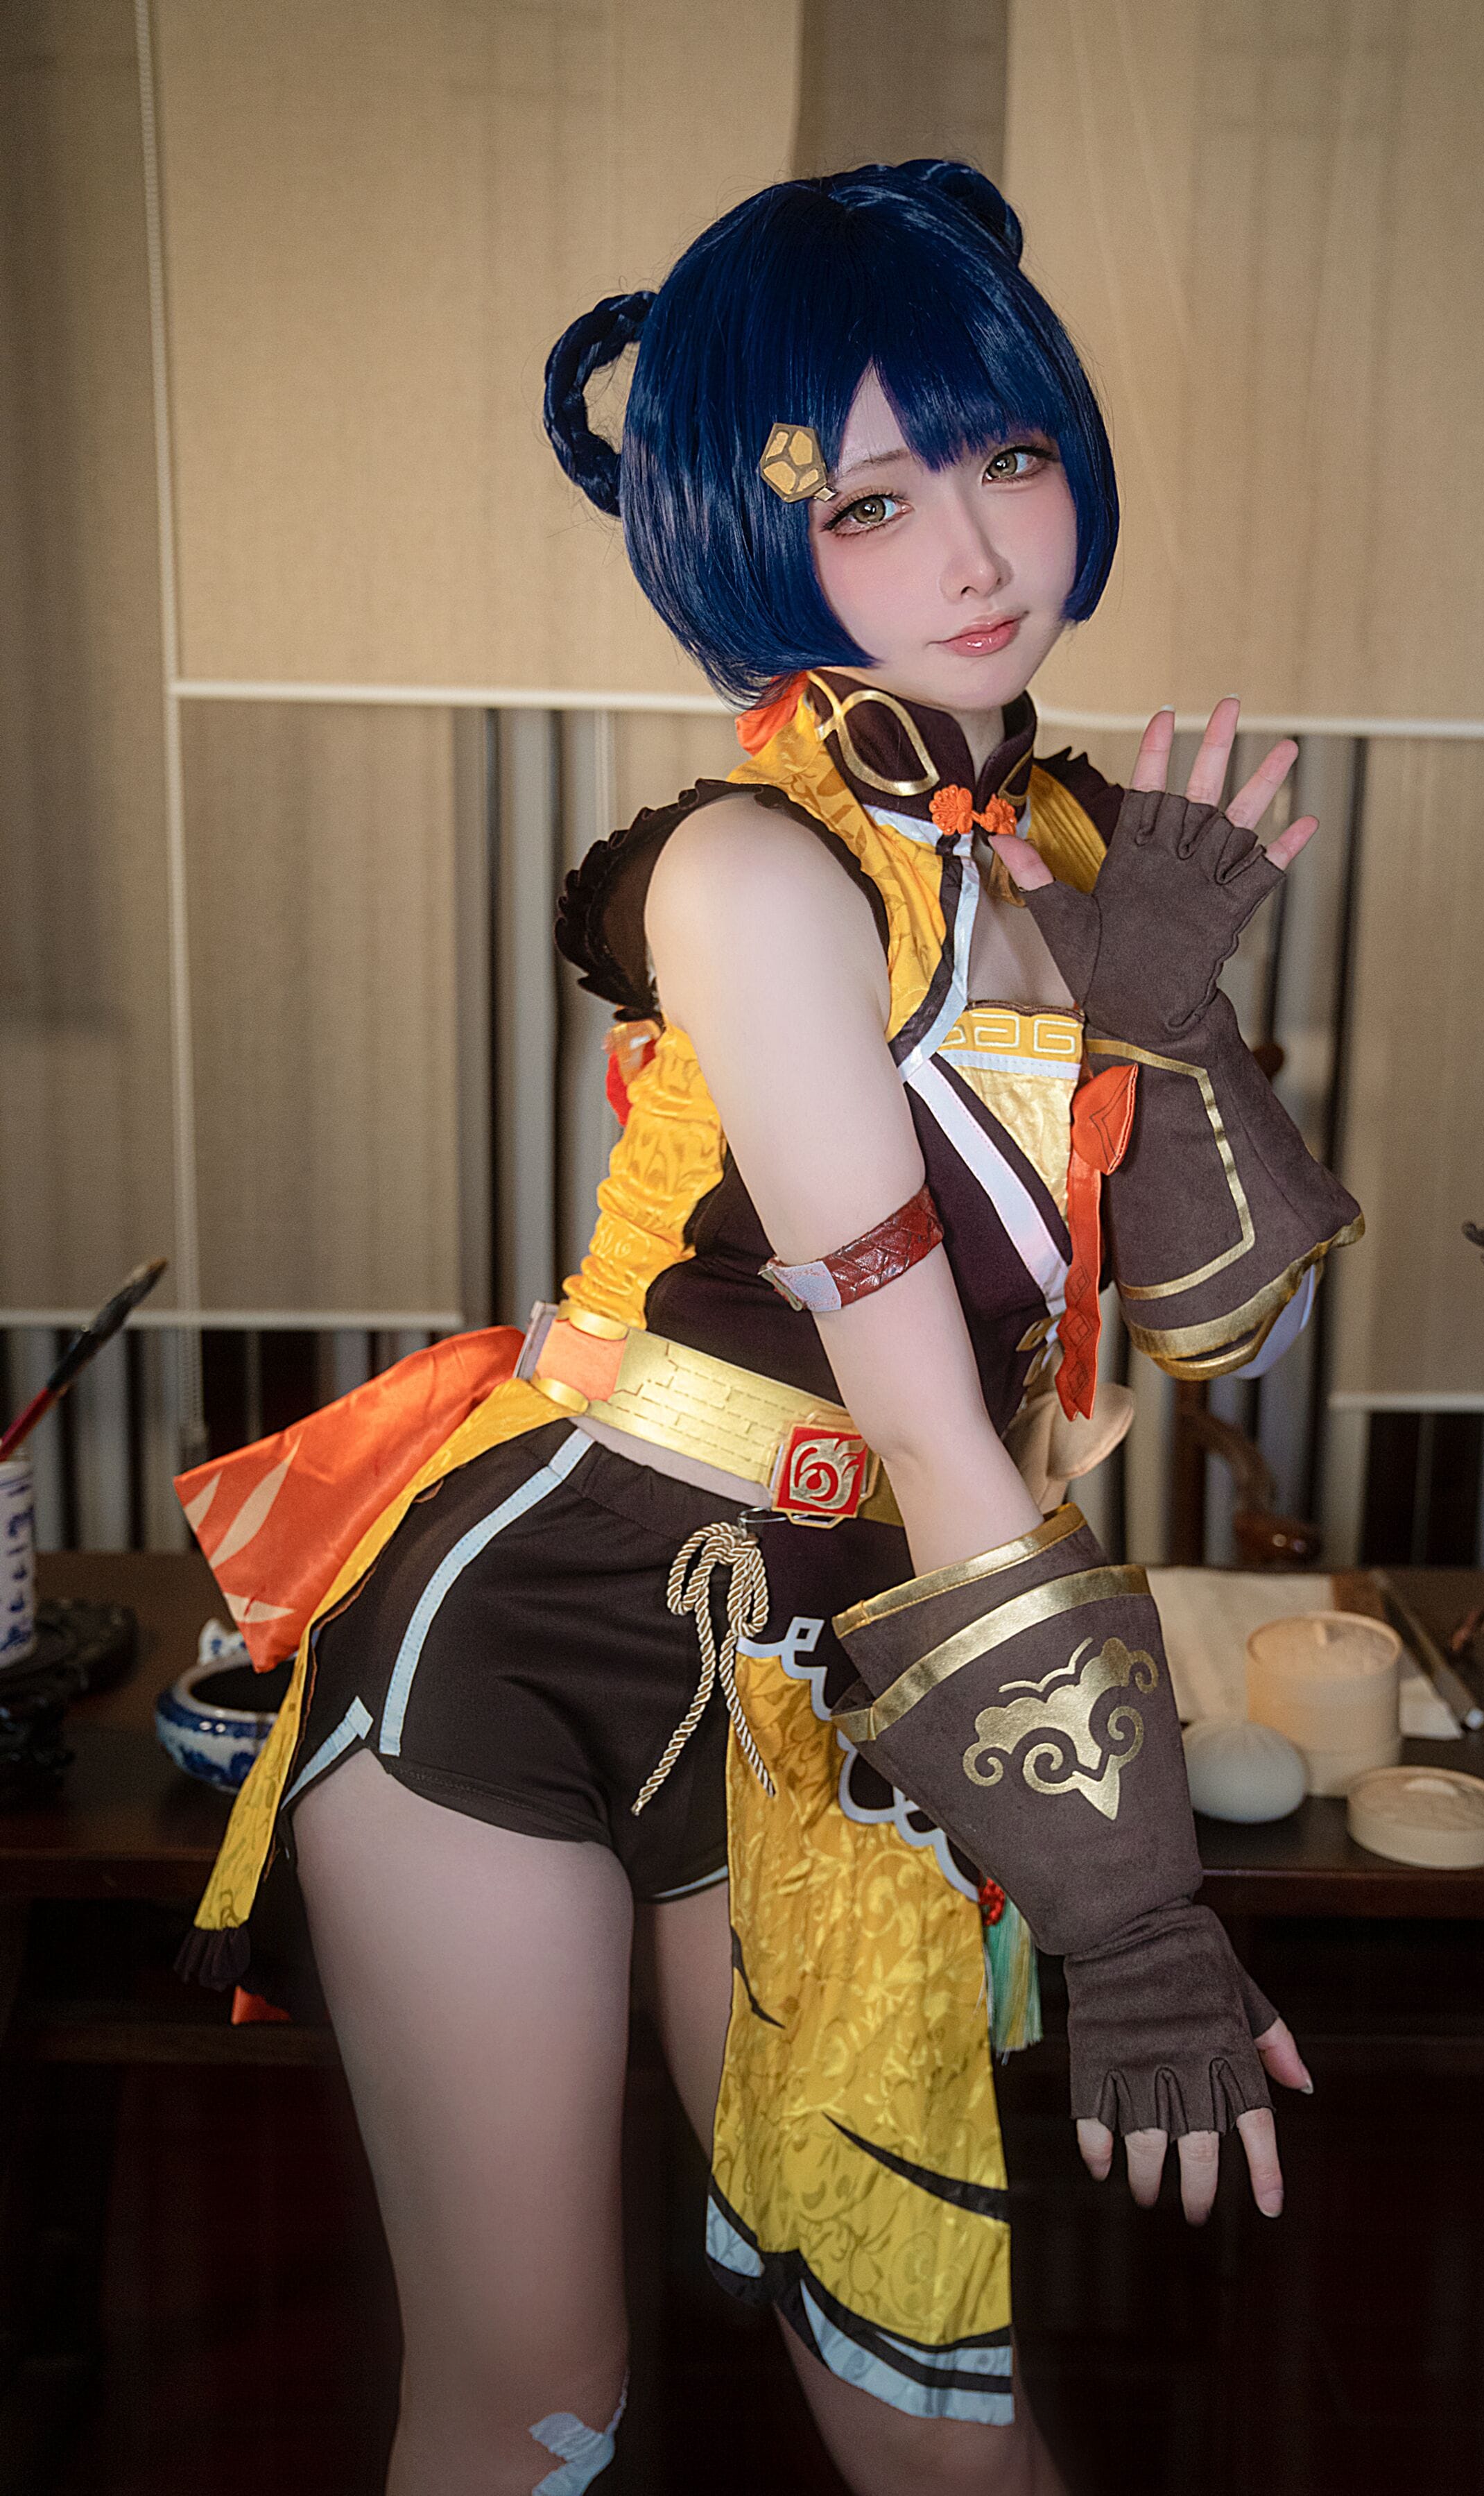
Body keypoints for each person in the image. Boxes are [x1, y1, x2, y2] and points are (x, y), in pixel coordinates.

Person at [179, 160, 1359, 2496]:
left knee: (922, 2402)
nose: (979, 554)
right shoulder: (751, 868)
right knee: (533, 2402)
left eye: (1011, 456)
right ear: (750, 533)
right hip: (538, 1634)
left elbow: (1220, 1319)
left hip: (834, 1660)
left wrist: (1159, 1018)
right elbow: (925, 1411)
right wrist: (1133, 1912)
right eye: (877, 501)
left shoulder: (1074, 851)